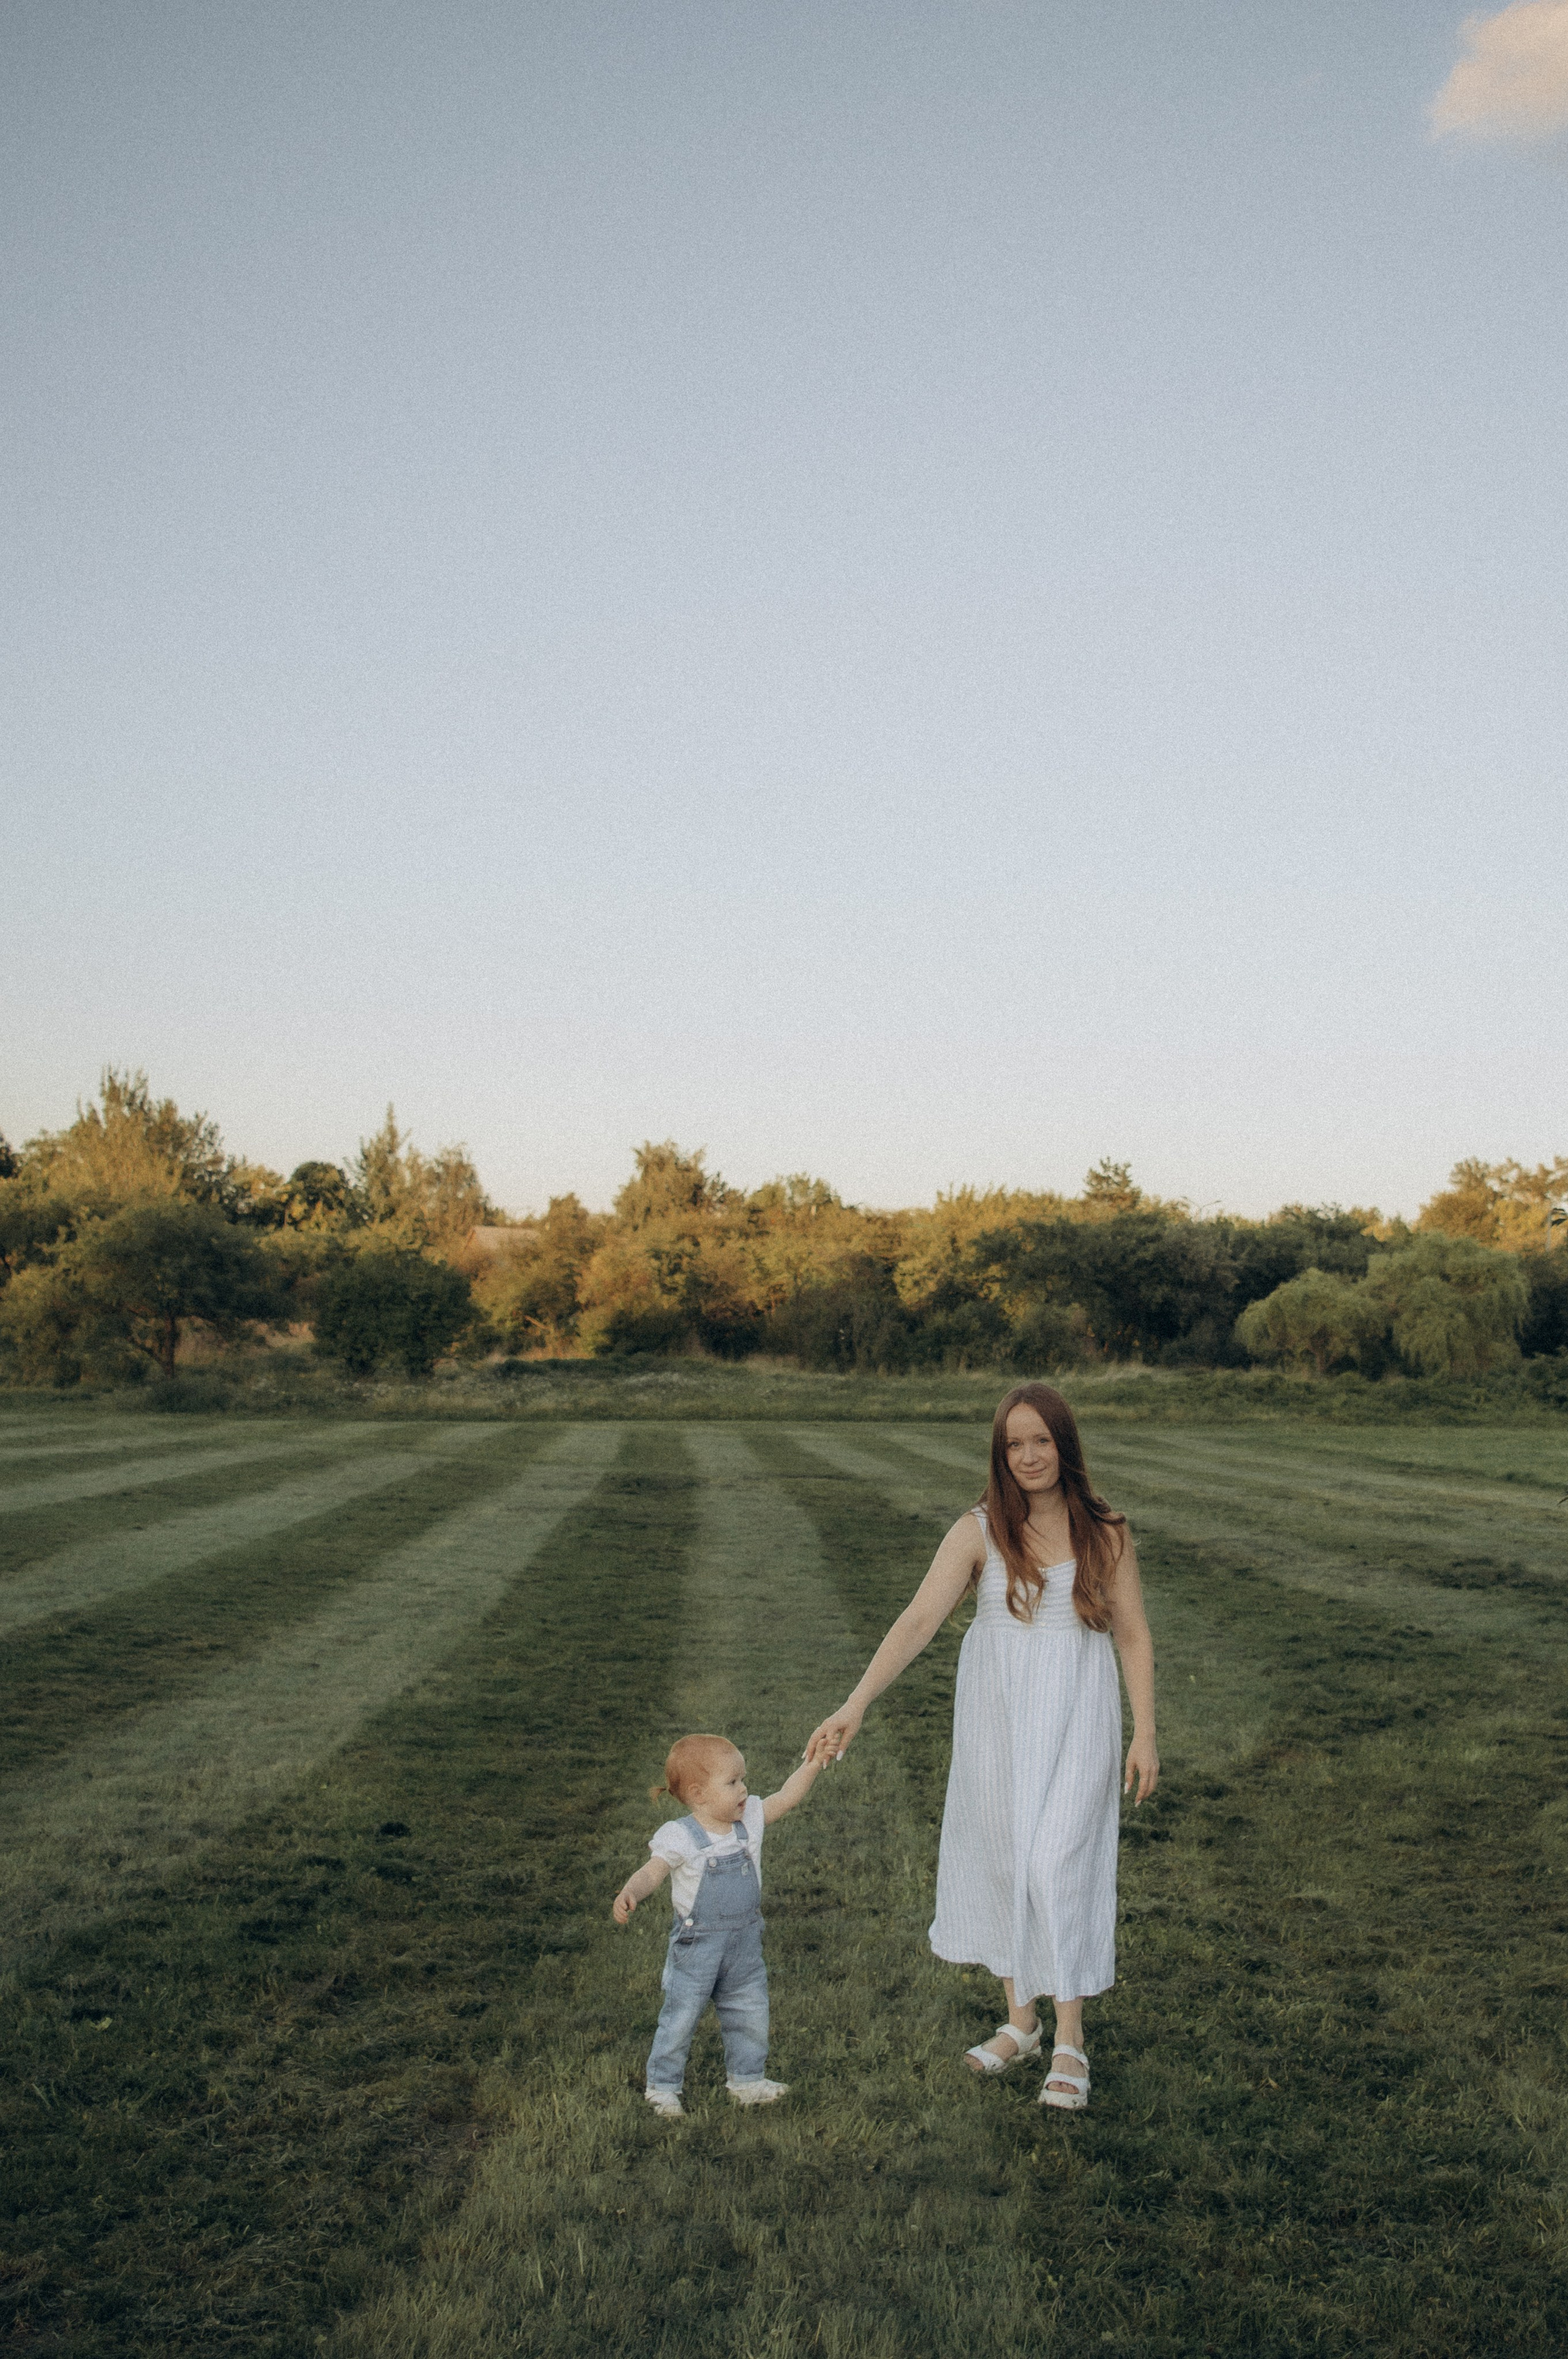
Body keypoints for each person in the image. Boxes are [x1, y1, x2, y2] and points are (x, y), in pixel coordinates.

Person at [807, 1381, 1158, 2112]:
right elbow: (917, 1619)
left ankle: (1069, 2039)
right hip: (996, 1718)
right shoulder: (979, 1530)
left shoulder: (1108, 1530)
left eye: (1041, 1439)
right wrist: (855, 1702)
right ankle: (1021, 2022)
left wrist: (1145, 1731)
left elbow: (1131, 1634)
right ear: (1001, 1454)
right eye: (1013, 1443)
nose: (1029, 1456)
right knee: (1005, 1859)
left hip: (1078, 1716)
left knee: (1057, 1861)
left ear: (1064, 1442)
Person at [613, 1730, 829, 2119]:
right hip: (697, 1949)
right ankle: (663, 2087)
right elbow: (653, 1872)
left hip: (744, 1946)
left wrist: (812, 1764)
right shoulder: (681, 1836)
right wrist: (632, 1891)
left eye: (742, 1779)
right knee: (680, 2016)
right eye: (732, 1782)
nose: (744, 1789)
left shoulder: (750, 1821)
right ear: (699, 1795)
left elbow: (786, 1797)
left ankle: (747, 2080)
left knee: (749, 2011)